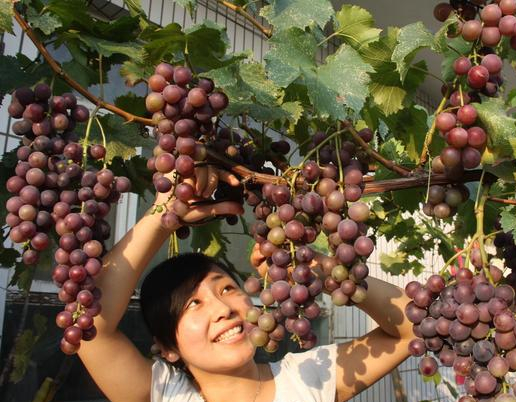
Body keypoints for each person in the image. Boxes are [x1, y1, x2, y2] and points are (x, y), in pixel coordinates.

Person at [77, 164, 414, 402]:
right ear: (168, 349)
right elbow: (88, 324)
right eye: (192, 303)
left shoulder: (307, 377)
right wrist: (163, 214)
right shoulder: (163, 394)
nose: (223, 308)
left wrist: (318, 266)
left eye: (226, 288)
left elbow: (412, 326)